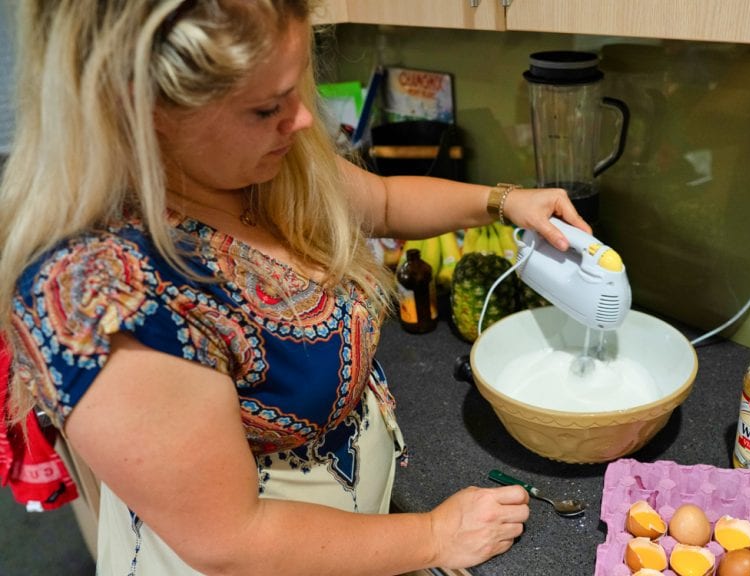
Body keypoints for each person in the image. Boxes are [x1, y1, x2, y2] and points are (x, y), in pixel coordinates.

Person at [0, 1, 590, 574]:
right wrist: (435, 535)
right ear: (142, 109)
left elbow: (381, 201)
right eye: (265, 107)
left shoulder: (256, 164)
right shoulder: (104, 293)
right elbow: (233, 540)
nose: (302, 119)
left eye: (295, 90)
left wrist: (506, 201)